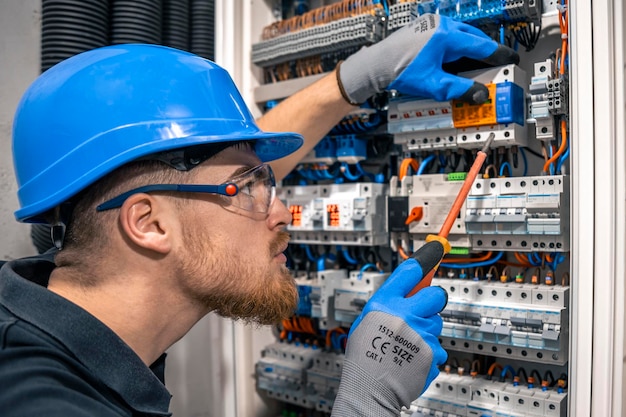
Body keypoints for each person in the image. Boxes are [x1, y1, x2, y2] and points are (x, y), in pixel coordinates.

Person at [0, 14, 517, 417]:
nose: (282, 211)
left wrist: (360, 77)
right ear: (149, 224)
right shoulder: (42, 402)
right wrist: (367, 402)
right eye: (251, 188)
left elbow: (202, 185)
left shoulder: (48, 328)